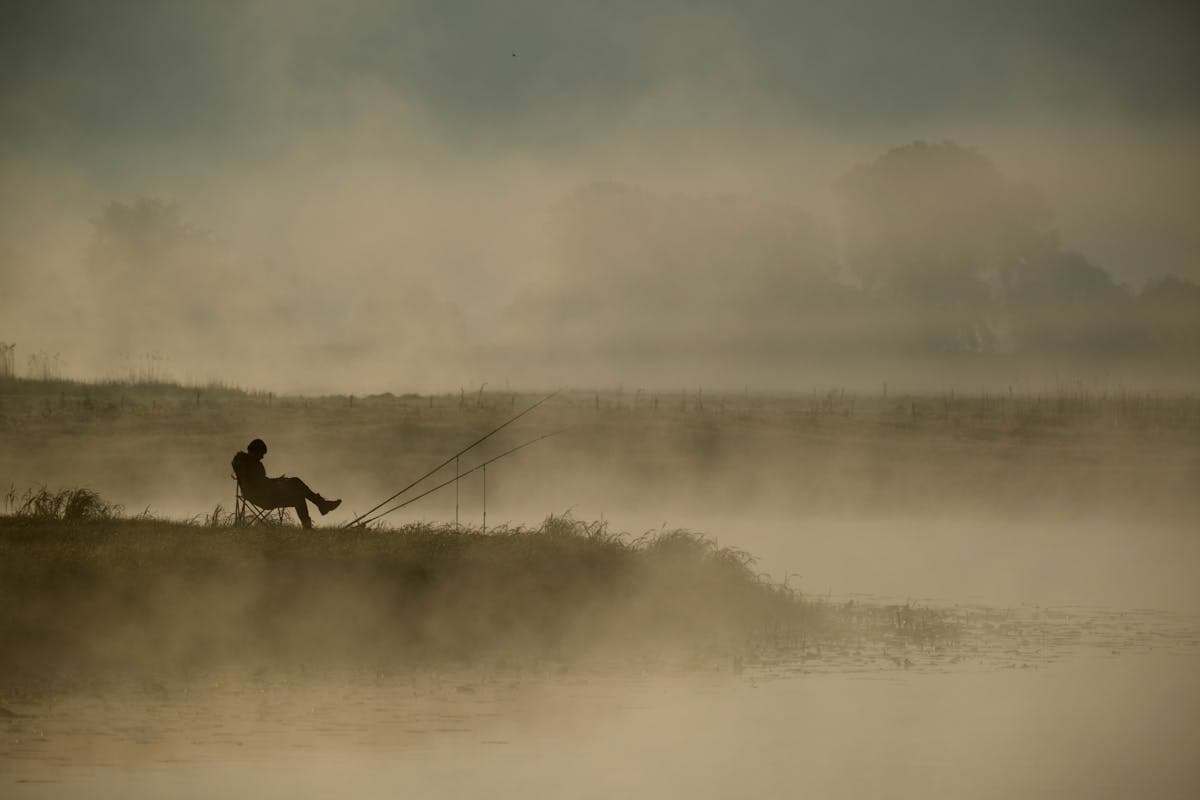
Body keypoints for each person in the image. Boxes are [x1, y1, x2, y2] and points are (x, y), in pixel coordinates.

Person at [231, 438, 341, 529]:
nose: (262, 457)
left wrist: (276, 481)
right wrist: (278, 482)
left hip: (255, 496)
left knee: (296, 487)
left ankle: (319, 509)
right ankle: (320, 507)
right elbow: (262, 484)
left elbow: (259, 482)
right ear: (256, 452)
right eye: (261, 454)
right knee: (296, 487)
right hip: (264, 498)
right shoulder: (254, 465)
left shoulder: (242, 463)